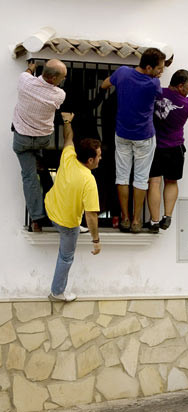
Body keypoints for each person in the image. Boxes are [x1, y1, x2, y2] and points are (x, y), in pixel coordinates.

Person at [101, 48, 165, 233]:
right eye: (159, 68)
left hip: (122, 134)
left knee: (122, 178)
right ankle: (137, 220)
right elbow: (159, 97)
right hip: (144, 136)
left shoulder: (122, 72)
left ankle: (125, 218)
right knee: (140, 179)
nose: (161, 71)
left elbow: (105, 85)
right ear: (148, 67)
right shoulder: (154, 84)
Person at [45, 112, 101, 302]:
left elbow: (68, 137)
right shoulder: (88, 180)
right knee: (66, 257)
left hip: (51, 209)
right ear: (90, 160)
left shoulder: (69, 156)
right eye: (99, 156)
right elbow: (91, 215)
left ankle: (77, 226)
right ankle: (57, 292)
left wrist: (67, 120)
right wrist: (96, 240)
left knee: (75, 224)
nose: (100, 159)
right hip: (67, 224)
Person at [12, 59, 67, 232]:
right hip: (43, 139)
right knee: (42, 169)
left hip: (23, 139)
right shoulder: (59, 95)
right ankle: (42, 169)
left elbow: (27, 74)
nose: (63, 80)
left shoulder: (24, 81)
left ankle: (36, 219)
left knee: (29, 177)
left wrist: (30, 67)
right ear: (52, 78)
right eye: (62, 77)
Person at [147, 69, 188, 233]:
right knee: (172, 182)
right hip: (175, 147)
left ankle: (154, 221)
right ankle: (167, 216)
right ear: (181, 86)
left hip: (155, 146)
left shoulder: (156, 93)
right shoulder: (187, 104)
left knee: (154, 182)